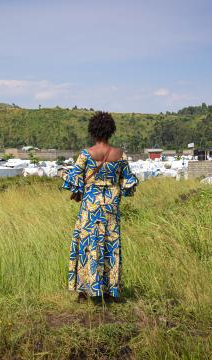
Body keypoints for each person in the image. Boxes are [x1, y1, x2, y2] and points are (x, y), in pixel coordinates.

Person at [62, 111, 138, 302]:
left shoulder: (86, 154)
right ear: (111, 131)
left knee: (88, 245)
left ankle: (85, 291)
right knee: (110, 246)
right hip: (111, 206)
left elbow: (73, 179)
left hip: (90, 206)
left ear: (93, 131)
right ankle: (109, 291)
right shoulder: (120, 155)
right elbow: (129, 183)